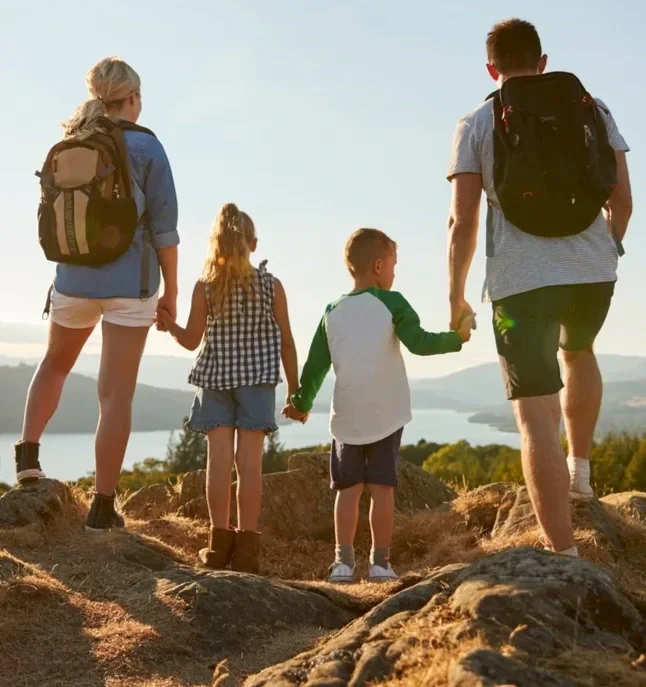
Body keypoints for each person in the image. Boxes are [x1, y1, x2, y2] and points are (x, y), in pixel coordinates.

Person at [446, 19, 632, 556]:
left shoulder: (477, 122)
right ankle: (581, 472)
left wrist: (456, 295)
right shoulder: (592, 109)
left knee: (533, 415)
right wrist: (608, 248)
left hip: (520, 283)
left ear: (491, 68)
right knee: (579, 353)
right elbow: (622, 200)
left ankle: (564, 555)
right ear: (543, 61)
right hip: (593, 274)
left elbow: (463, 222)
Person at [14, 57, 179, 531]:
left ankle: (27, 459)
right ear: (132, 99)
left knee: (55, 364)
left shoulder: (72, 141)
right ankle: (103, 508)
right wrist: (170, 292)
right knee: (116, 394)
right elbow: (165, 230)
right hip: (131, 285)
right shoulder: (147, 147)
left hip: (72, 279)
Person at [284, 228, 472, 583]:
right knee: (383, 489)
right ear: (378, 266)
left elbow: (315, 367)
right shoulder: (393, 302)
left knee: (348, 491)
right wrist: (457, 339)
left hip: (347, 417)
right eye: (394, 266)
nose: (394, 273)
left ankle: (342, 564)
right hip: (387, 414)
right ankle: (381, 564)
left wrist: (301, 403)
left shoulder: (331, 311)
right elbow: (419, 343)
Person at [157, 203, 299, 574]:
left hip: (216, 378)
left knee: (218, 464)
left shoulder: (206, 287)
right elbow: (286, 342)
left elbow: (190, 341)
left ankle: (218, 546)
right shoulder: (272, 285)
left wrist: (169, 325)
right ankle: (248, 550)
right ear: (253, 243)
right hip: (258, 382)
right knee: (249, 466)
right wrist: (296, 391)